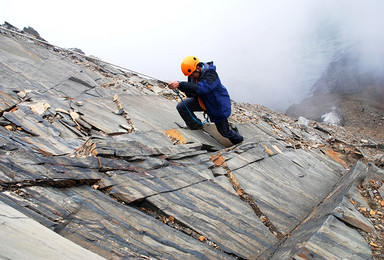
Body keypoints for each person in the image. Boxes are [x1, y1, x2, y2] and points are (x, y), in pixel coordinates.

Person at [168, 56, 244, 145]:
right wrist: (178, 86)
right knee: (182, 106)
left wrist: (180, 85)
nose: (191, 77)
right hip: (203, 102)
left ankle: (239, 141)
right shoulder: (193, 75)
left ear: (198, 68)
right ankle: (195, 126)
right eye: (190, 75)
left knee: (224, 132)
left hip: (217, 106)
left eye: (192, 74)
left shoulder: (211, 74)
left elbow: (202, 88)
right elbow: (192, 91)